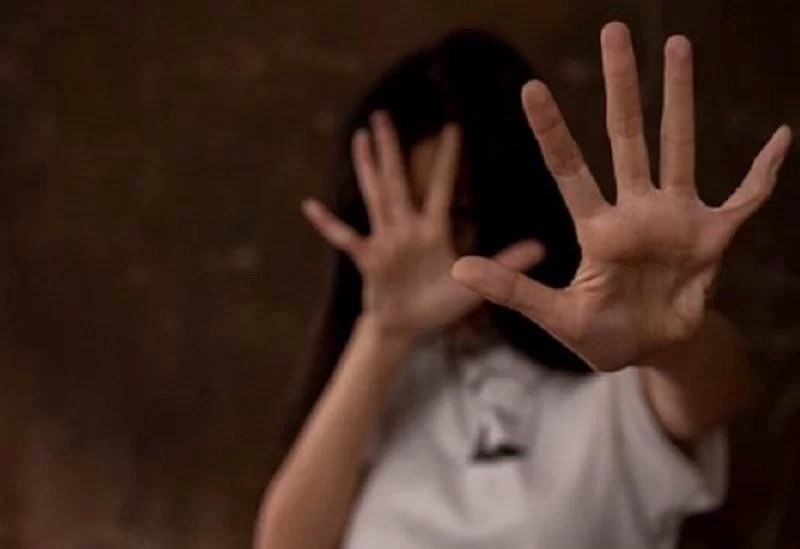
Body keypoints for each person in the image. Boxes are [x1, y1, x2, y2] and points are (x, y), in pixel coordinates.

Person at [255, 22, 792, 549]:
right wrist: (383, 333)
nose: (425, 248)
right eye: (401, 215)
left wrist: (674, 344)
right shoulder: (385, 389)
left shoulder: (610, 361)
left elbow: (712, 395)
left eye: (456, 213)